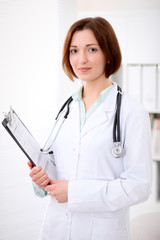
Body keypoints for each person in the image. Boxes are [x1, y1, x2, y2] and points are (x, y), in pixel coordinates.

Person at [28, 17, 152, 240]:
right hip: (56, 228)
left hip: (102, 232)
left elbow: (138, 186)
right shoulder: (62, 111)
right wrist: (42, 180)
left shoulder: (131, 112)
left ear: (108, 54)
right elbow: (59, 172)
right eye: (74, 51)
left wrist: (74, 193)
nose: (81, 59)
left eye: (91, 49)